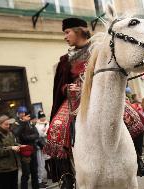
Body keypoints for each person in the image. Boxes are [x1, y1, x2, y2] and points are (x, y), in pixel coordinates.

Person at [45, 17, 91, 188]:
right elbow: (60, 85)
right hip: (74, 100)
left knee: (132, 115)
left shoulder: (99, 50)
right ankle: (67, 176)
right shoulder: (66, 59)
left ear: (79, 31)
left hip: (98, 94)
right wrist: (67, 88)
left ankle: (138, 157)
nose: (65, 36)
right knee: (56, 127)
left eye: (67, 32)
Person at [0, 115, 20, 189]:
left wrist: (19, 146)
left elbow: (13, 144)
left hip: (13, 167)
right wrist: (11, 148)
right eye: (6, 124)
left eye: (9, 124)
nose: (8, 126)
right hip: (2, 170)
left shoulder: (9, 133)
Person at [35, 111, 50, 188]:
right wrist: (45, 133)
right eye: (41, 117)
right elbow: (40, 134)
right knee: (41, 163)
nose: (43, 118)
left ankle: (44, 178)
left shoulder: (48, 122)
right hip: (41, 145)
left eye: (43, 116)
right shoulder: (37, 125)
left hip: (47, 143)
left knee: (45, 162)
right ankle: (40, 180)